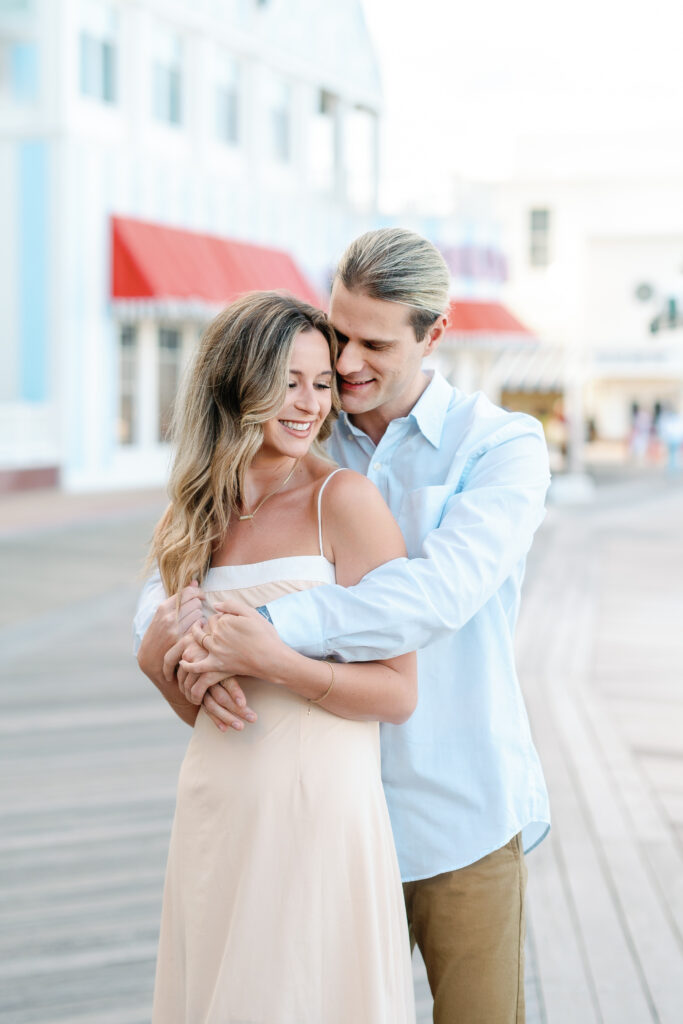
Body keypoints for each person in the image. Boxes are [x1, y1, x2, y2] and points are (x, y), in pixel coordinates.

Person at [136, 229, 551, 1024]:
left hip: (454, 803)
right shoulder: (300, 426)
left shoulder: (498, 447)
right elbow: (190, 565)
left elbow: (435, 595)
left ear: (434, 333)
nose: (346, 365)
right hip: (312, 811)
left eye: (373, 343)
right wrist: (172, 637)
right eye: (338, 335)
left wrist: (263, 629)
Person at [145, 291, 417, 1024]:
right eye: (287, 382)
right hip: (216, 806)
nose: (308, 404)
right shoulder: (191, 515)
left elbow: (397, 694)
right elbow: (204, 705)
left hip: (318, 814)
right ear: (238, 383)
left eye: (321, 383)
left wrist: (275, 658)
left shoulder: (345, 502)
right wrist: (159, 666)